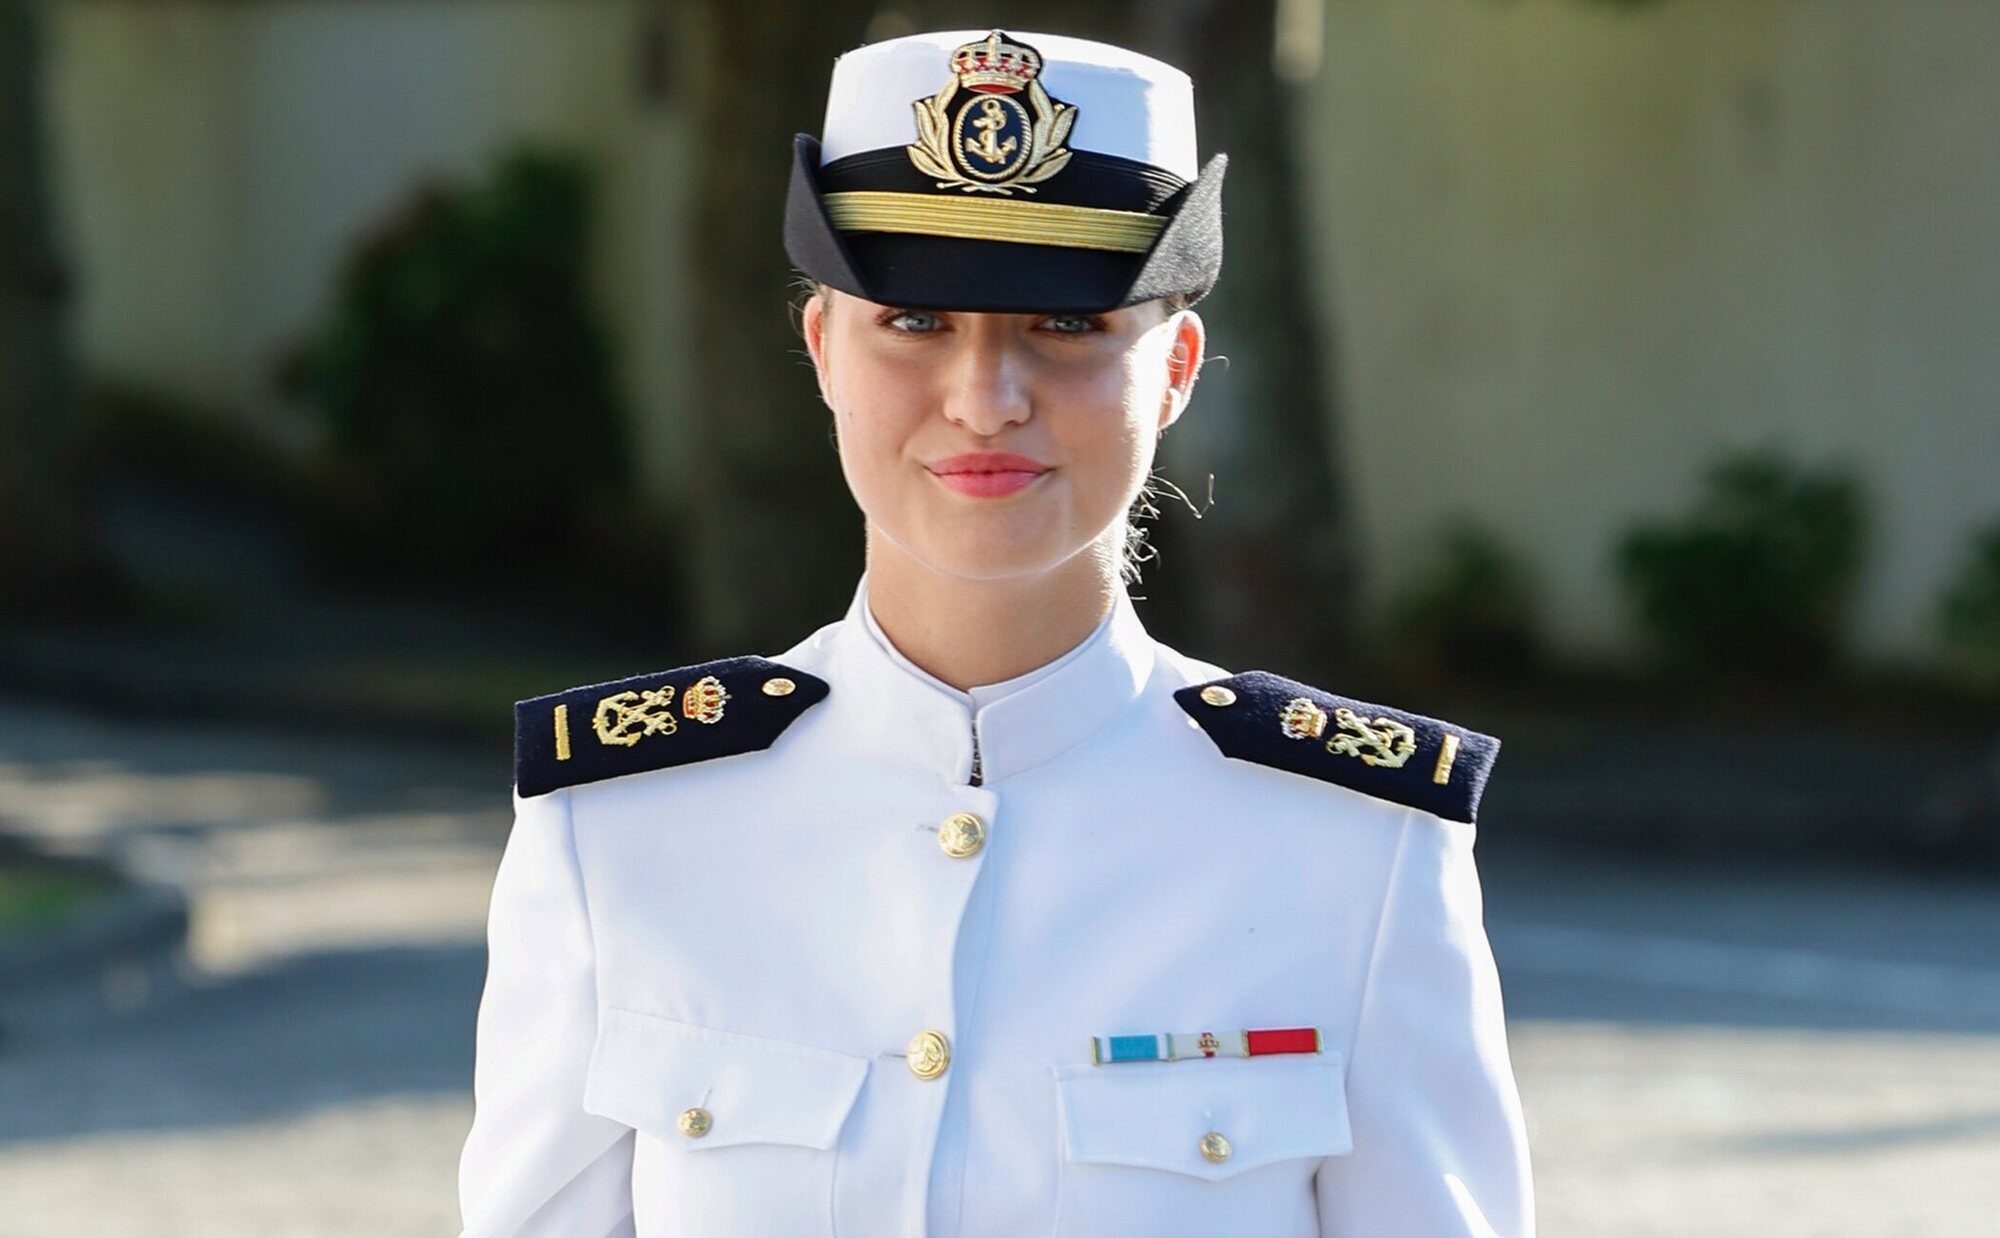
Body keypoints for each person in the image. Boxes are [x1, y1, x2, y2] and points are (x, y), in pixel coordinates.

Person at [457, 27, 1533, 1238]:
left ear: (1174, 367)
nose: (984, 398)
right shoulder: (618, 824)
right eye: (913, 321)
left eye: (1065, 328)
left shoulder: (1357, 847)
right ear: (821, 348)